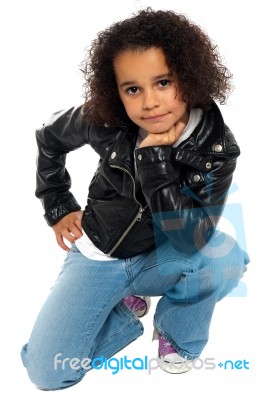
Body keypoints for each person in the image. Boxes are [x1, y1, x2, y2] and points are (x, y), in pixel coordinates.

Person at [21, 8, 249, 389]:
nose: (149, 103)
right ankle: (124, 310)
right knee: (48, 373)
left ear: (190, 77)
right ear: (116, 92)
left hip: (164, 253)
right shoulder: (104, 119)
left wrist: (154, 160)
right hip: (100, 255)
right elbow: (49, 138)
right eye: (132, 89)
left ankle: (175, 333)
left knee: (224, 259)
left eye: (163, 82)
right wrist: (58, 203)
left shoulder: (217, 147)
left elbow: (188, 239)